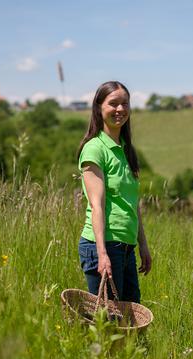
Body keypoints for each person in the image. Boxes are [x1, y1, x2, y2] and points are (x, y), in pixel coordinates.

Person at [77, 81, 151, 303]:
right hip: (105, 244)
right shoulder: (94, 149)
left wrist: (143, 245)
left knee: (130, 321)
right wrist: (102, 254)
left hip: (126, 246)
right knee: (109, 323)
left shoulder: (125, 150)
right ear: (99, 107)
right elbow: (97, 206)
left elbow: (132, 203)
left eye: (125, 104)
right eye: (113, 103)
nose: (120, 109)